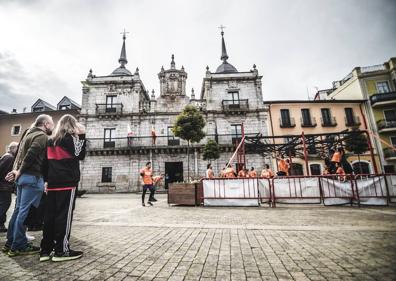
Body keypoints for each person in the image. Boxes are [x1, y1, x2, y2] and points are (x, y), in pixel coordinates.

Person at [3, 114, 54, 257]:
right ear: (45, 124)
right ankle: (18, 245)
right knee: (25, 213)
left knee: (18, 211)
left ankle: (10, 243)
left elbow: (19, 155)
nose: (53, 127)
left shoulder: (27, 134)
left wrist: (15, 171)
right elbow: (31, 155)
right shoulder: (41, 136)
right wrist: (19, 171)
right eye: (51, 124)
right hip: (32, 178)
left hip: (23, 178)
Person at [40, 114, 86, 262]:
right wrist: (83, 135)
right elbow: (80, 154)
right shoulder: (70, 138)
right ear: (72, 125)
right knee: (64, 216)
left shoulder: (50, 141)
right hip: (67, 182)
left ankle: (45, 250)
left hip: (52, 183)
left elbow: (44, 163)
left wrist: (46, 180)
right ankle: (61, 250)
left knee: (50, 217)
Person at [0, 142, 18, 233]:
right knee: (4, 205)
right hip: (4, 186)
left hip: (4, 186)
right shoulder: (9, 157)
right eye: (17, 148)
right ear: (13, 148)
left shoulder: (7, 156)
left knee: (3, 205)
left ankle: (1, 225)